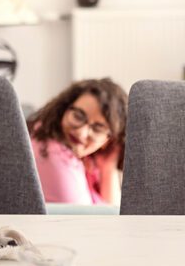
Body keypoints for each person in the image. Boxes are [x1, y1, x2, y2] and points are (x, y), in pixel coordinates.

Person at [26, 78, 128, 206]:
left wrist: (107, 166)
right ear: (63, 109)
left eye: (97, 128)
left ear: (109, 139)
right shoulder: (50, 153)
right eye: (78, 116)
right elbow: (107, 220)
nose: (81, 132)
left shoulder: (88, 160)